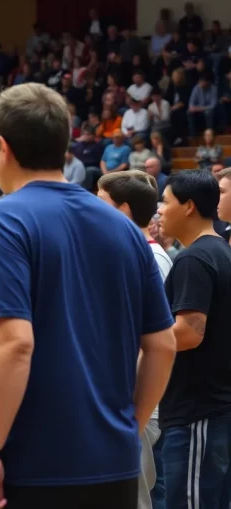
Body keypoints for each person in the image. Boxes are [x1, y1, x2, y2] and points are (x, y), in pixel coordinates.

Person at [0, 83, 176, 509]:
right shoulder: (123, 228)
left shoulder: (0, 220)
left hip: (32, 463)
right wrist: (130, 428)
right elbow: (162, 344)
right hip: (114, 461)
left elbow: (14, 342)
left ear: (1, 146)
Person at [97, 170, 174, 509]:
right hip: (126, 398)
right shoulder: (129, 253)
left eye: (101, 205)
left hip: (138, 399)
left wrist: (135, 409)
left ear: (123, 210)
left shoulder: (151, 259)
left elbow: (158, 341)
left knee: (136, 497)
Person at [156, 170, 231, 509]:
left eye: (166, 201)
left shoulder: (195, 258)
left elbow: (189, 333)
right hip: (213, 407)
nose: (159, 210)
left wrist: (137, 337)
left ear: (188, 207)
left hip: (198, 410)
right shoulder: (219, 251)